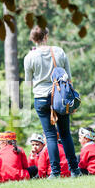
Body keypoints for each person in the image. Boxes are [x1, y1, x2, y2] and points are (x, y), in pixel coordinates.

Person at [24, 25, 81, 179]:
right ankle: (74, 170)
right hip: (60, 98)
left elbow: (28, 82)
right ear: (46, 36)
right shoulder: (59, 51)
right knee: (65, 134)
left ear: (32, 39)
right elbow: (68, 76)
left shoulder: (29, 57)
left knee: (50, 136)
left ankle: (55, 172)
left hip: (41, 98)